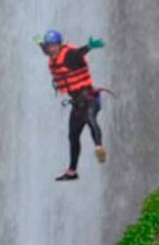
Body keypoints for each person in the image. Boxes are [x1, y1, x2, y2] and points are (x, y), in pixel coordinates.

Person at [34, 29, 107, 181]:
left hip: (89, 98)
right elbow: (45, 50)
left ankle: (99, 147)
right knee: (73, 136)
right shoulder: (51, 54)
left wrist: (90, 46)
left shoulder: (69, 56)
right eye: (49, 46)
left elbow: (79, 53)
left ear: (60, 45)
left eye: (54, 46)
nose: (51, 49)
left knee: (90, 118)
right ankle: (72, 172)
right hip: (77, 103)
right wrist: (39, 42)